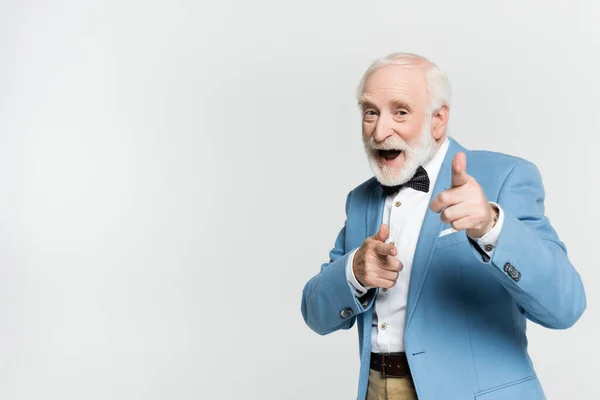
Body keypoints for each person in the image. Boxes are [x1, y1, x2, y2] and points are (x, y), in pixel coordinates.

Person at [300, 52, 586, 400]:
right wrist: (354, 273)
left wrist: (491, 227)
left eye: (400, 111)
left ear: (438, 120)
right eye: (370, 112)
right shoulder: (360, 200)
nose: (379, 130)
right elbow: (316, 314)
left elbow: (566, 305)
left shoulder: (505, 177)